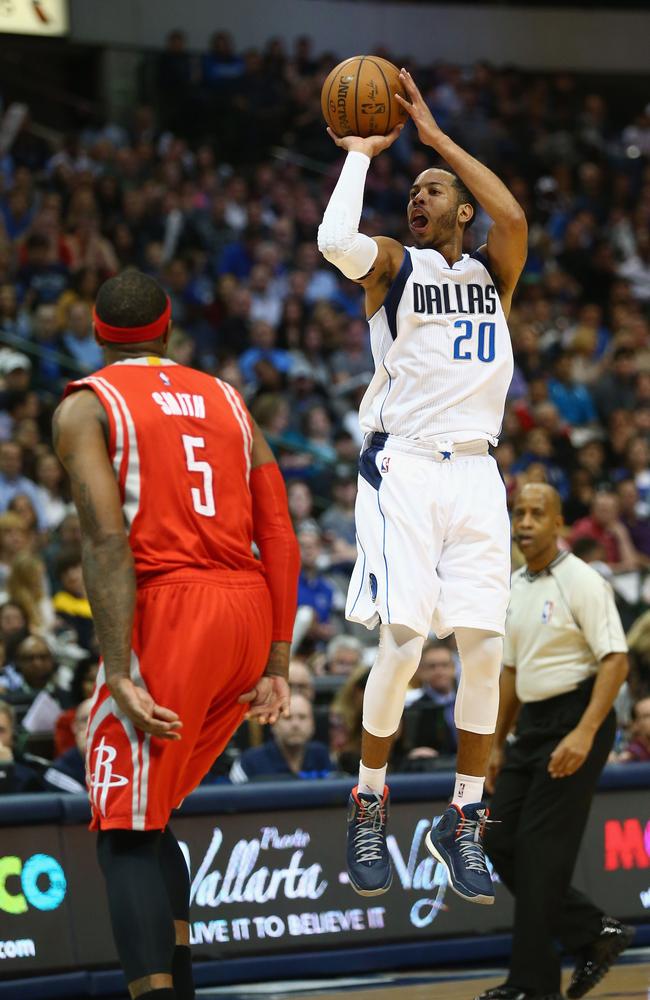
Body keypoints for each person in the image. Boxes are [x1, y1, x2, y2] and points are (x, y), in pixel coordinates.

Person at [52, 269, 300, 1000]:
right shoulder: (228, 398)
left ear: (99, 335)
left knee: (123, 829)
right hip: (248, 613)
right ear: (167, 332)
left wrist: (121, 666)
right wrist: (279, 655)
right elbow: (279, 529)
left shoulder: (86, 406)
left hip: (170, 613)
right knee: (152, 815)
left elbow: (103, 540)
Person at [317, 67, 527, 900]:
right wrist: (365, 156)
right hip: (404, 462)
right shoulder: (395, 266)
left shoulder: (491, 274)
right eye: (414, 189)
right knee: (402, 644)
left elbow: (511, 216)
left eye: (433, 190)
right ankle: (368, 800)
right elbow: (336, 240)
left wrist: (439, 140)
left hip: (478, 470)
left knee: (485, 649)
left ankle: (464, 819)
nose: (420, 196)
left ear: (461, 209)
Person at [480, 484, 631, 1000]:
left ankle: (530, 986)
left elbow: (616, 660)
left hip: (577, 714)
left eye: (536, 513)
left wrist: (586, 732)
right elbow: (509, 671)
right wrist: (496, 744)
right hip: (532, 723)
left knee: (540, 854)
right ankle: (593, 931)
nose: (524, 522)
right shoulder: (515, 586)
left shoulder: (582, 581)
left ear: (558, 522)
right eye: (518, 513)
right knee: (496, 839)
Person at [229, 693, 332, 782]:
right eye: (287, 717)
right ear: (273, 724)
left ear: (313, 725)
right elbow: (231, 799)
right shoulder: (249, 762)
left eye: (302, 717)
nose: (295, 724)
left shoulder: (323, 756)